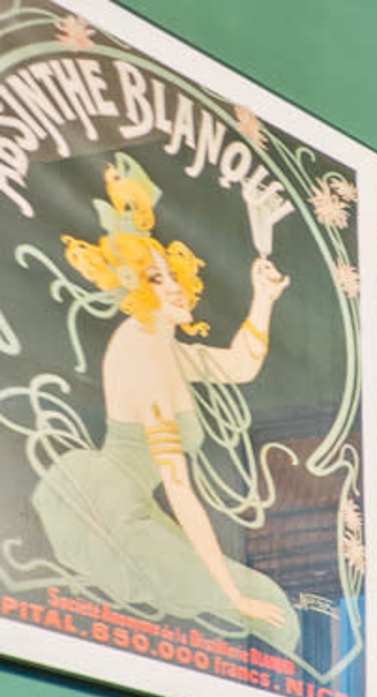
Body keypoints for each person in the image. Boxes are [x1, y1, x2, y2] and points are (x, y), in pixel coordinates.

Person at [36, 155, 303, 657]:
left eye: (170, 274)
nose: (175, 286)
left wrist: (263, 298)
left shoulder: (164, 347)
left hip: (132, 505)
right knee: (264, 599)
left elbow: (240, 365)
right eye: (156, 279)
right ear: (133, 287)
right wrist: (233, 596)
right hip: (115, 517)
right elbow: (179, 491)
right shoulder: (145, 356)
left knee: (266, 600)